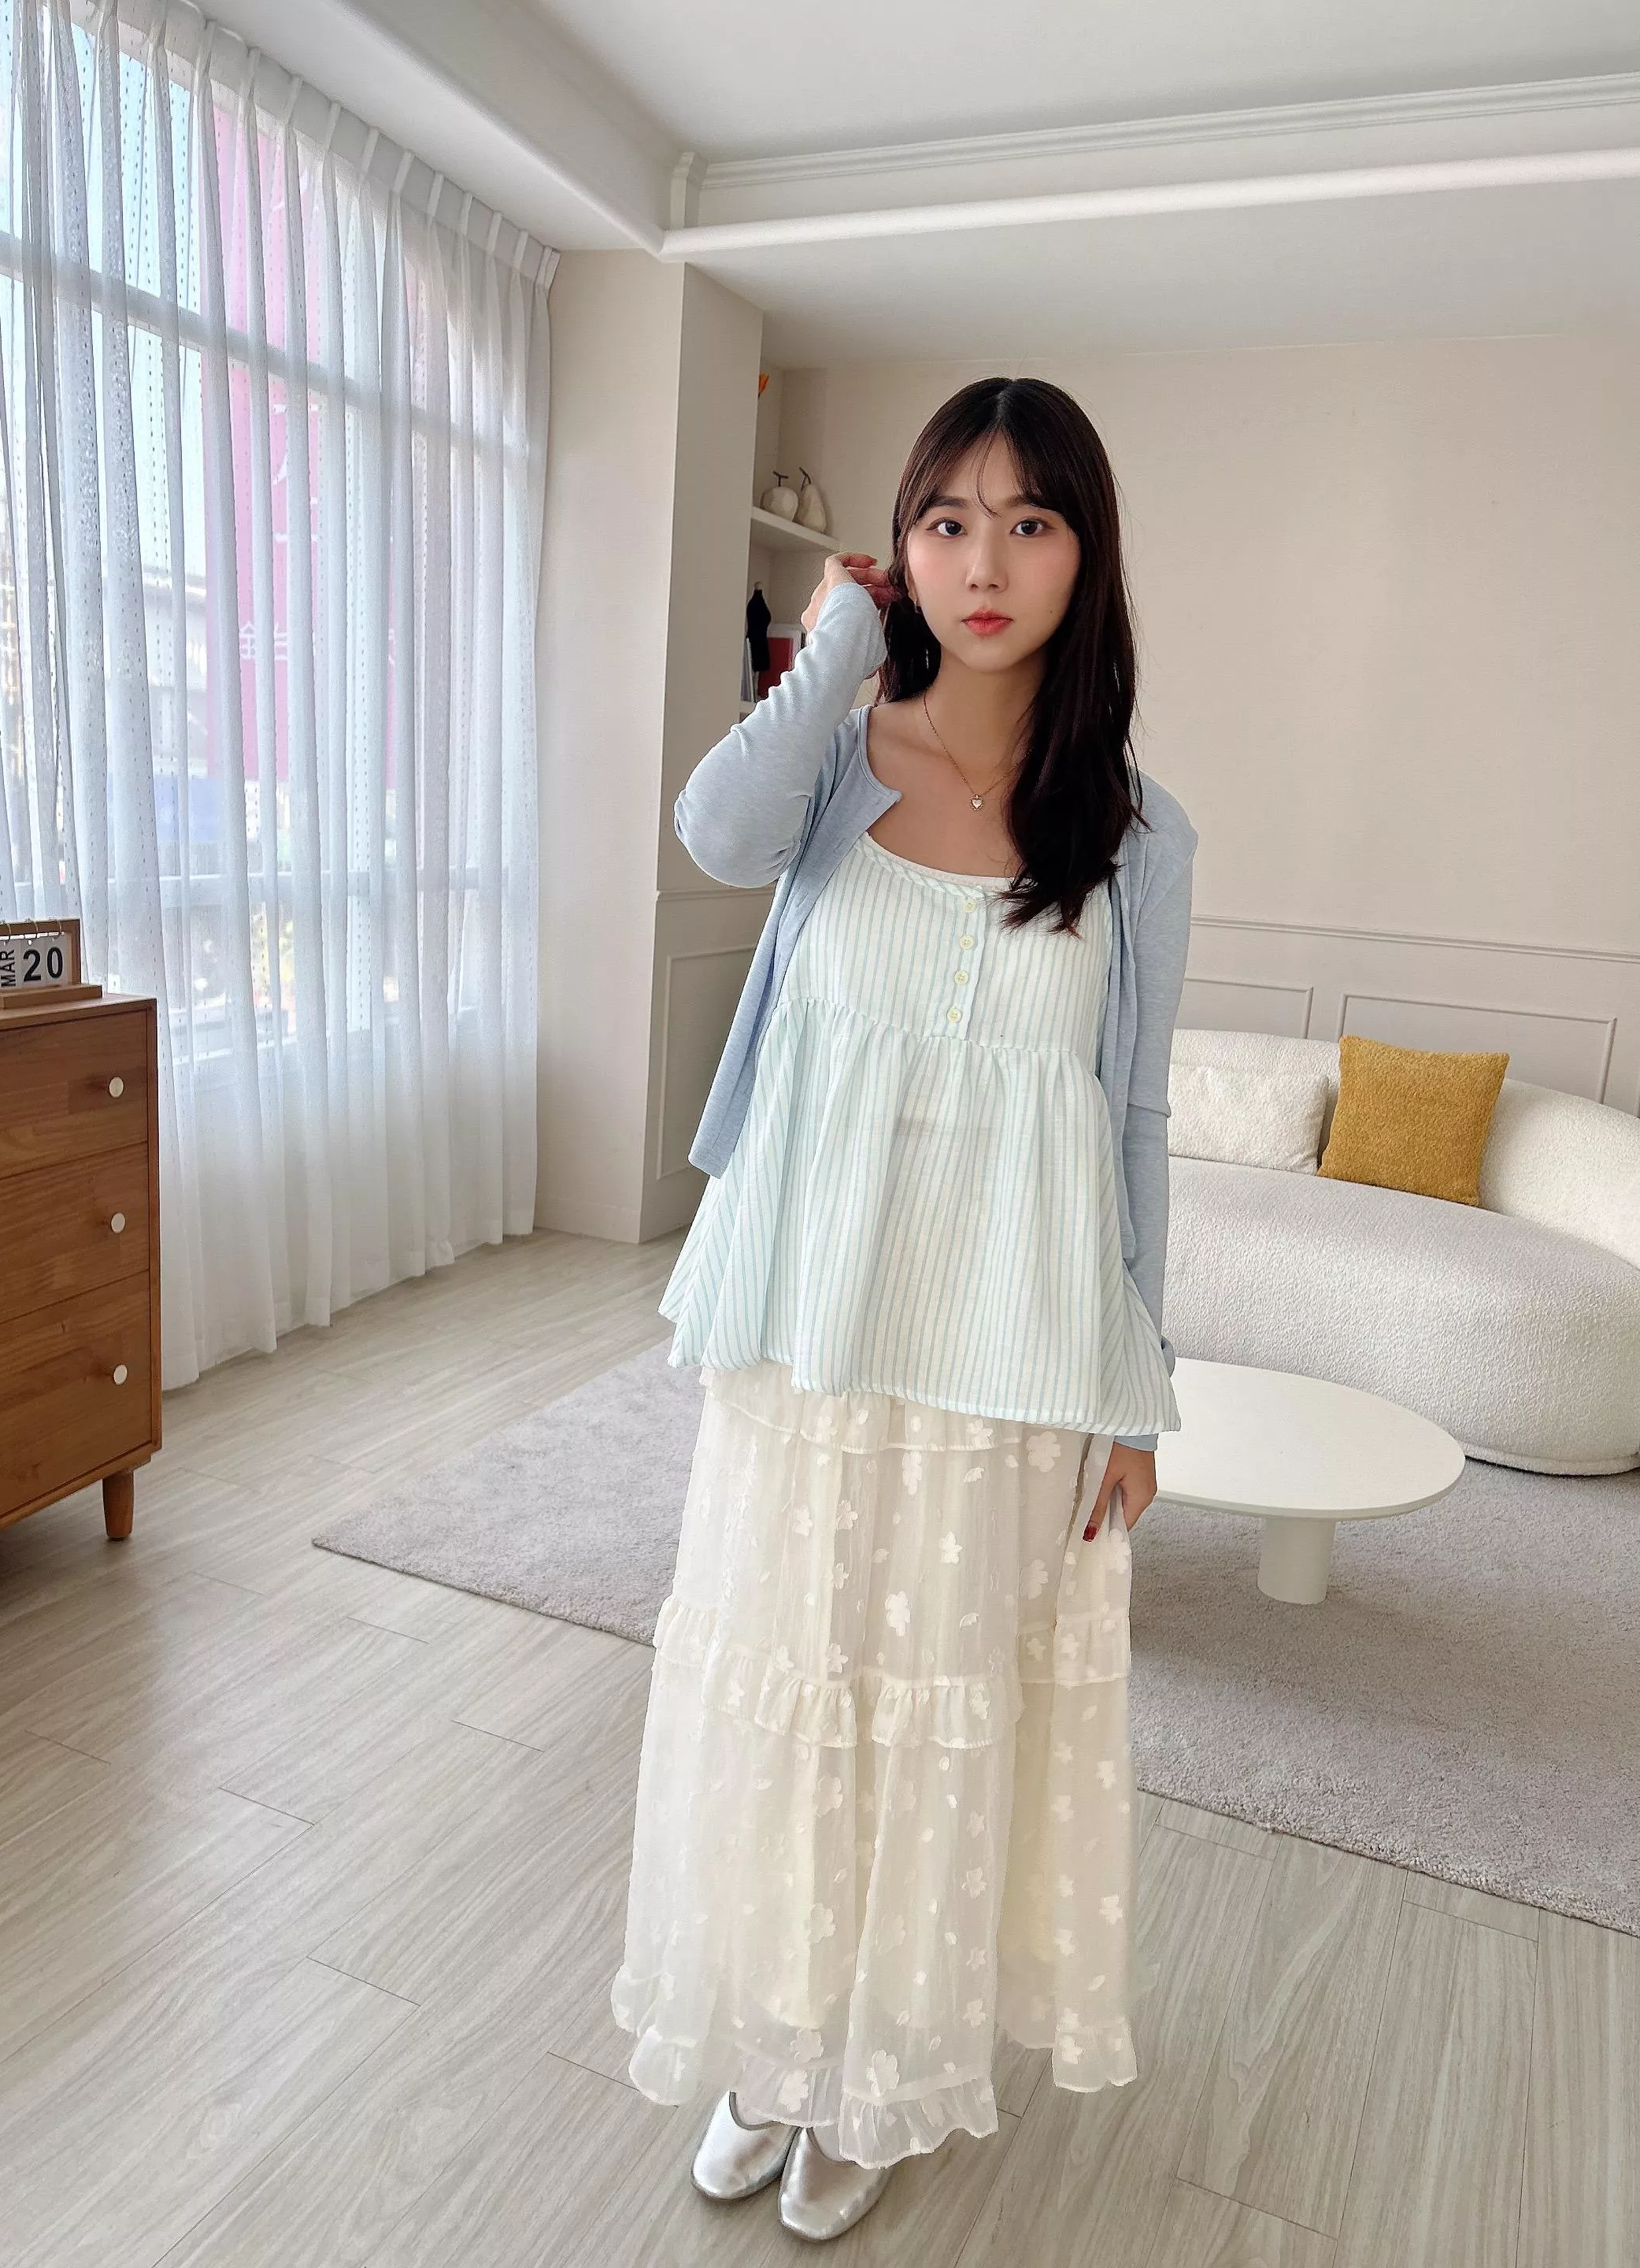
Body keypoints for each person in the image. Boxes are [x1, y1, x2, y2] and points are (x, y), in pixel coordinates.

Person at [609, 375, 1198, 2241]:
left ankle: (874, 2074)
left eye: (1031, 521)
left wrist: (1139, 1392)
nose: (986, 560)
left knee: (940, 1714)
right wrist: (835, 642)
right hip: (814, 1323)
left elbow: (1133, 1116)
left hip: (1014, 1349)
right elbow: (714, 832)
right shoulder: (833, 757)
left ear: (1087, 555)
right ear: (902, 548)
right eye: (948, 520)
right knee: (794, 1699)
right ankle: (776, 2050)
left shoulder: (1136, 833)